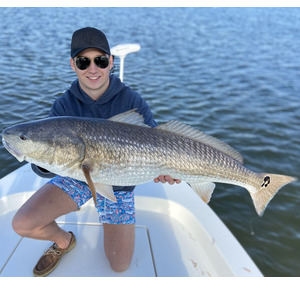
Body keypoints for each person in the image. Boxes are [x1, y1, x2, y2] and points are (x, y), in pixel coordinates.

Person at [12, 27, 180, 277]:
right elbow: (45, 161)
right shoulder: (63, 105)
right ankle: (64, 241)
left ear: (111, 62)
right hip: (77, 175)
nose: (93, 69)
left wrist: (166, 171)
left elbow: (157, 142)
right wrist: (45, 163)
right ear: (73, 64)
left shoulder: (132, 101)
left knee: (119, 264)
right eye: (83, 61)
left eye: (100, 60)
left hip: (120, 183)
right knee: (23, 224)